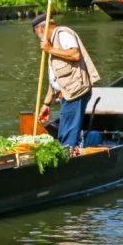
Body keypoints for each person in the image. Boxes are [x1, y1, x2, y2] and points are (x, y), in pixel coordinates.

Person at [34, 14, 101, 148]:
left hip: (75, 92)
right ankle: (76, 148)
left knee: (67, 136)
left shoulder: (62, 34)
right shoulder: (53, 44)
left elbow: (75, 54)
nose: (39, 39)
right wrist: (46, 104)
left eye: (37, 34)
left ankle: (69, 159)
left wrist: (49, 49)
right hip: (67, 93)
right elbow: (56, 79)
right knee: (66, 132)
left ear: (40, 29)